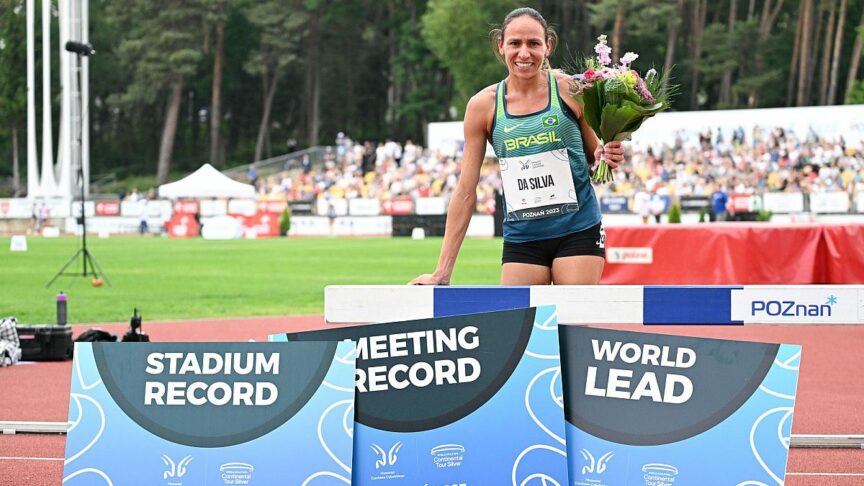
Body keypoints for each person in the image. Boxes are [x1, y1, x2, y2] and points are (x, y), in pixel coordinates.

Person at [411, 7, 624, 286]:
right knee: (520, 327)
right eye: (515, 43)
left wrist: (607, 155)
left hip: (578, 230)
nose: (524, 53)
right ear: (501, 46)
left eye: (533, 43)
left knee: (571, 325)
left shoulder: (572, 90)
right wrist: (442, 272)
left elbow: (595, 160)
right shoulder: (483, 106)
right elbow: (465, 192)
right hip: (523, 238)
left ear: (548, 46)